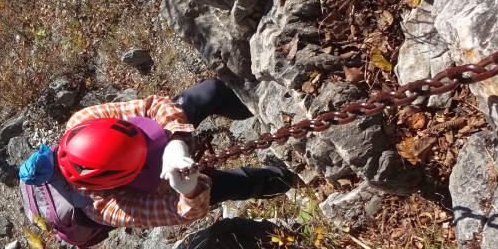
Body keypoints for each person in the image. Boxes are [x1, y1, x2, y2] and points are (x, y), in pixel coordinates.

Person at [20, 78, 299, 230]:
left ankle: (266, 103)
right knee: (236, 184)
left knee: (209, 91)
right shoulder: (105, 207)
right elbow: (173, 212)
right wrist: (189, 191)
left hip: (161, 141)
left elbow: (153, 107)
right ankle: (293, 179)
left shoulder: (85, 120)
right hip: (160, 186)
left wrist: (176, 140)